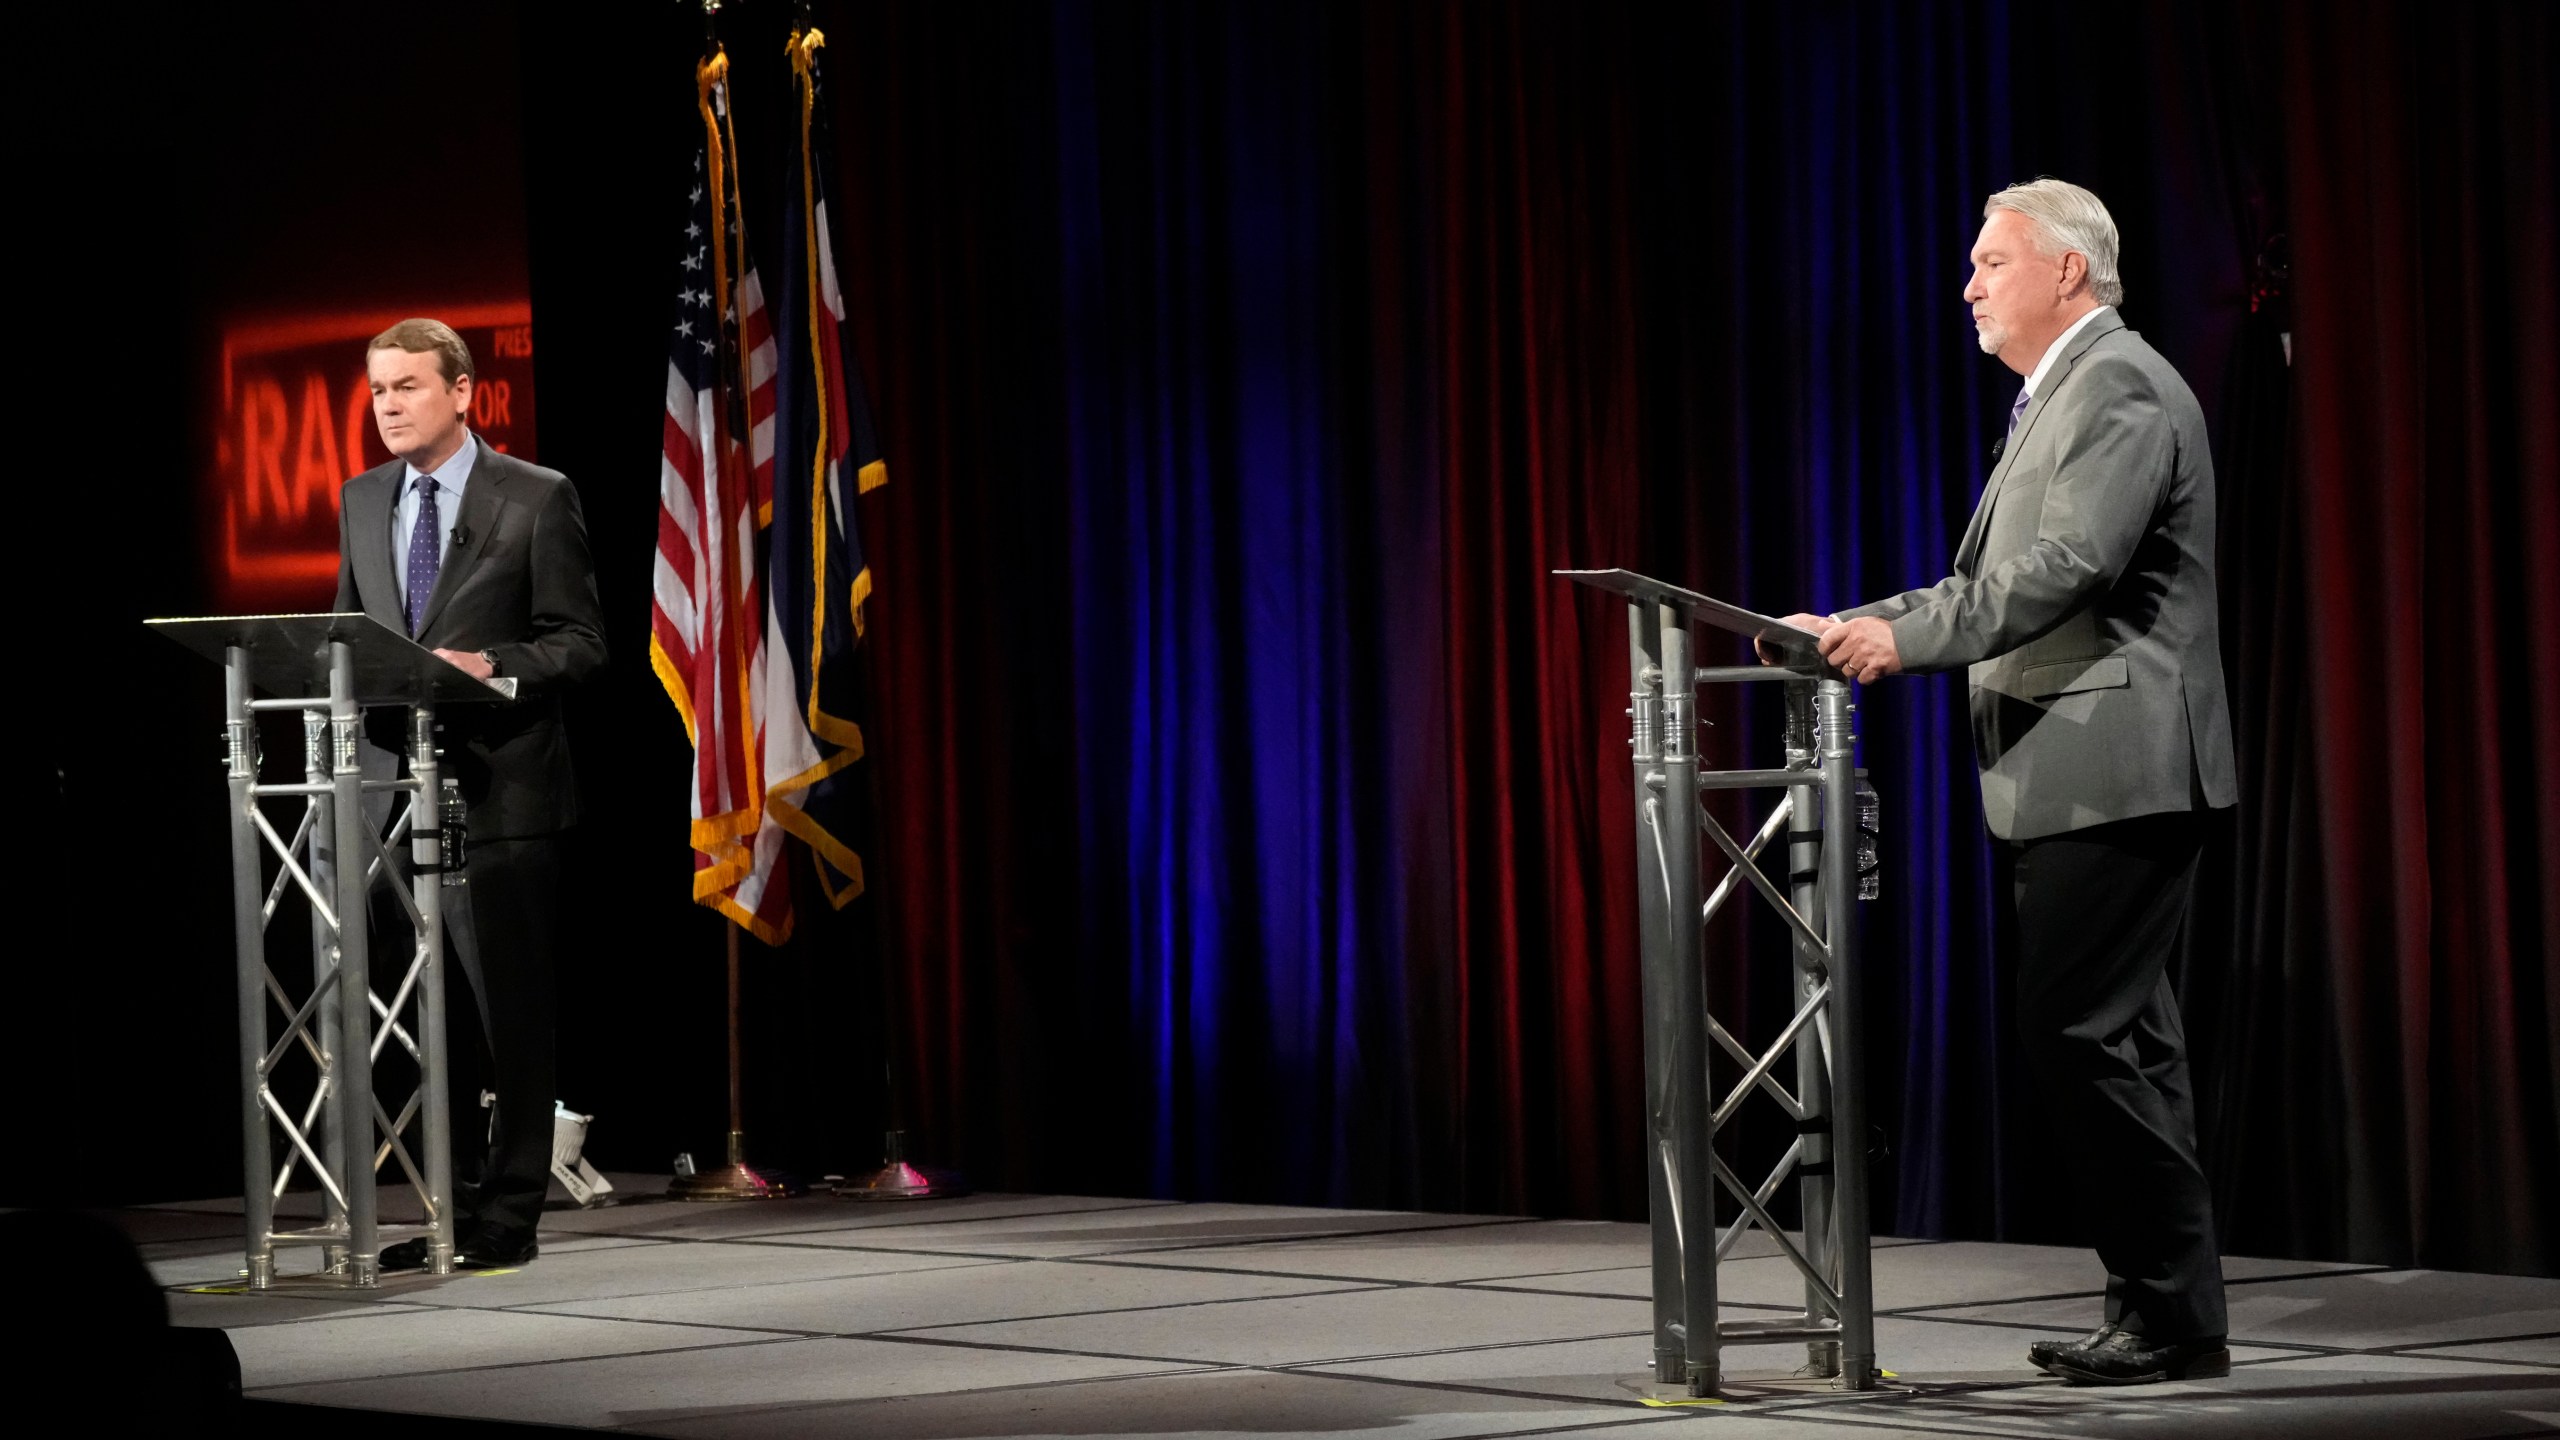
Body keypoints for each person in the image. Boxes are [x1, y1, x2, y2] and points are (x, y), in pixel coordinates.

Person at [1765, 179, 2236, 1386]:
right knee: (2122, 1045)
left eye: (1990, 262)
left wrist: (1901, 642)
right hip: (2085, 773)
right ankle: (2171, 1315)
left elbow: (2067, 567)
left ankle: (2167, 1314)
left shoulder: (2116, 383)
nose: (1968, 284)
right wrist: (1854, 623)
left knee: (2074, 1032)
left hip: (2117, 770)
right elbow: (1999, 574)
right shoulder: (2064, 396)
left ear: (2067, 273)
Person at [333, 318, 606, 1269]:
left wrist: (487, 662)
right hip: (383, 796)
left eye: (407, 386)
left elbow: (580, 642)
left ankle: (510, 1213)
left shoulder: (536, 497)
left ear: (462, 392)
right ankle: (437, 1209)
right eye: (378, 391)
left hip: (500, 798)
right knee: (406, 1015)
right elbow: (346, 634)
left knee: (509, 1018)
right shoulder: (362, 500)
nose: (390, 406)